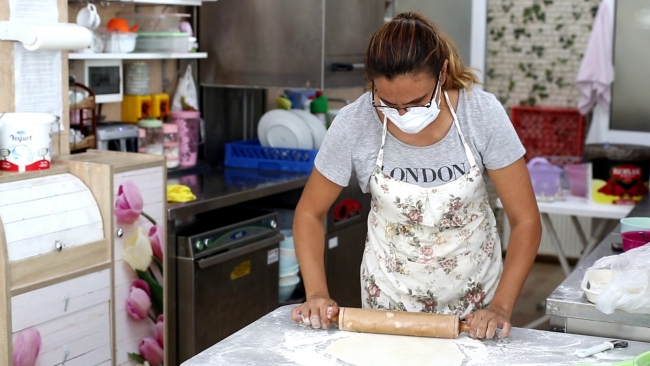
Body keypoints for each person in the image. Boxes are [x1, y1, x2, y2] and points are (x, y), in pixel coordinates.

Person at [290, 12, 542, 339]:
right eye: (388, 103)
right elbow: (309, 213)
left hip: (475, 309)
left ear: (443, 72)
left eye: (417, 102)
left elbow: (526, 221)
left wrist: (501, 308)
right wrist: (316, 294)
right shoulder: (354, 123)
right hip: (388, 305)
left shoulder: (481, 114)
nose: (403, 114)